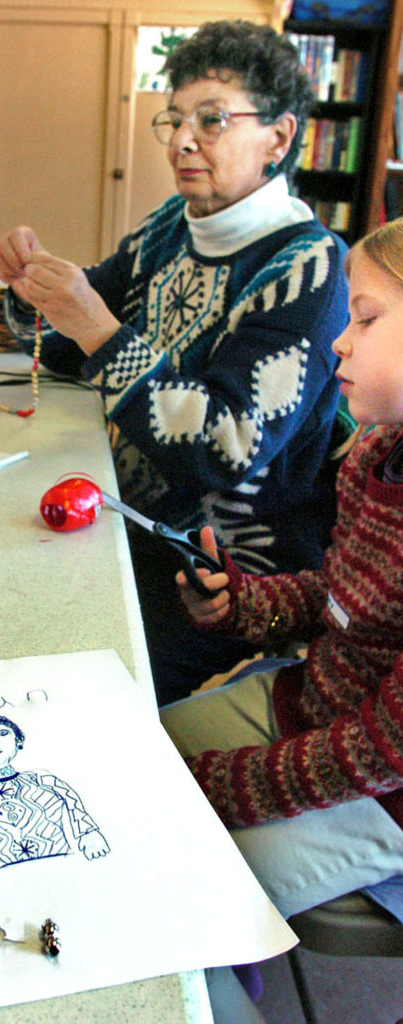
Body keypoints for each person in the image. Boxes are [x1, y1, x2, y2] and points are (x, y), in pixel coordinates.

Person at [0, 20, 349, 705]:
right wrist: (32, 291)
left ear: (277, 137)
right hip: (128, 523)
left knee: (51, 690)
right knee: (1, 606)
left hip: (222, 581)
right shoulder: (168, 227)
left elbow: (225, 445)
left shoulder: (308, 269)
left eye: (211, 119)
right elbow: (74, 339)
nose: (184, 141)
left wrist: (97, 327)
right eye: (175, 119)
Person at [161, 217, 403, 1023]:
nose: (336, 342)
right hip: (314, 706)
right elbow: (338, 600)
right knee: (139, 750)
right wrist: (243, 602)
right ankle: (228, 947)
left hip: (386, 793)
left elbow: (382, 749)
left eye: (364, 319)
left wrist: (226, 785)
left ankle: (221, 963)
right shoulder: (374, 453)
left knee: (176, 861)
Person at [0, 714, 109, 904]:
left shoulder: (40, 778)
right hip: (8, 880)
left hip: (66, 868)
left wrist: (88, 832)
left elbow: (72, 801)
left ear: (19, 741)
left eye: (1, 733)